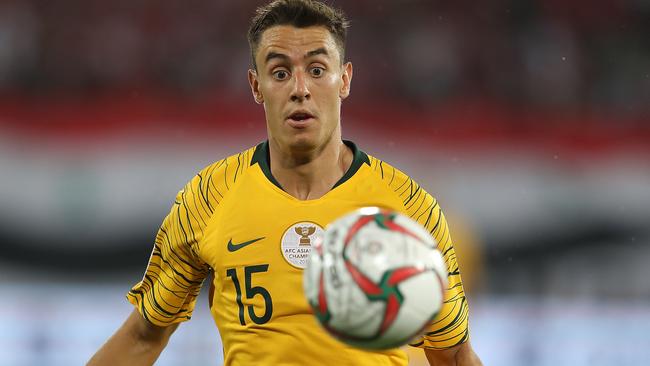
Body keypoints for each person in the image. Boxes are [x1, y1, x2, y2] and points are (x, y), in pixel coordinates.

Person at [87, 0, 482, 365]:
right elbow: (144, 334)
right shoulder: (208, 198)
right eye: (279, 72)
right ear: (256, 86)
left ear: (343, 80)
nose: (299, 90)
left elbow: (453, 355)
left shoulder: (409, 207)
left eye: (316, 70)